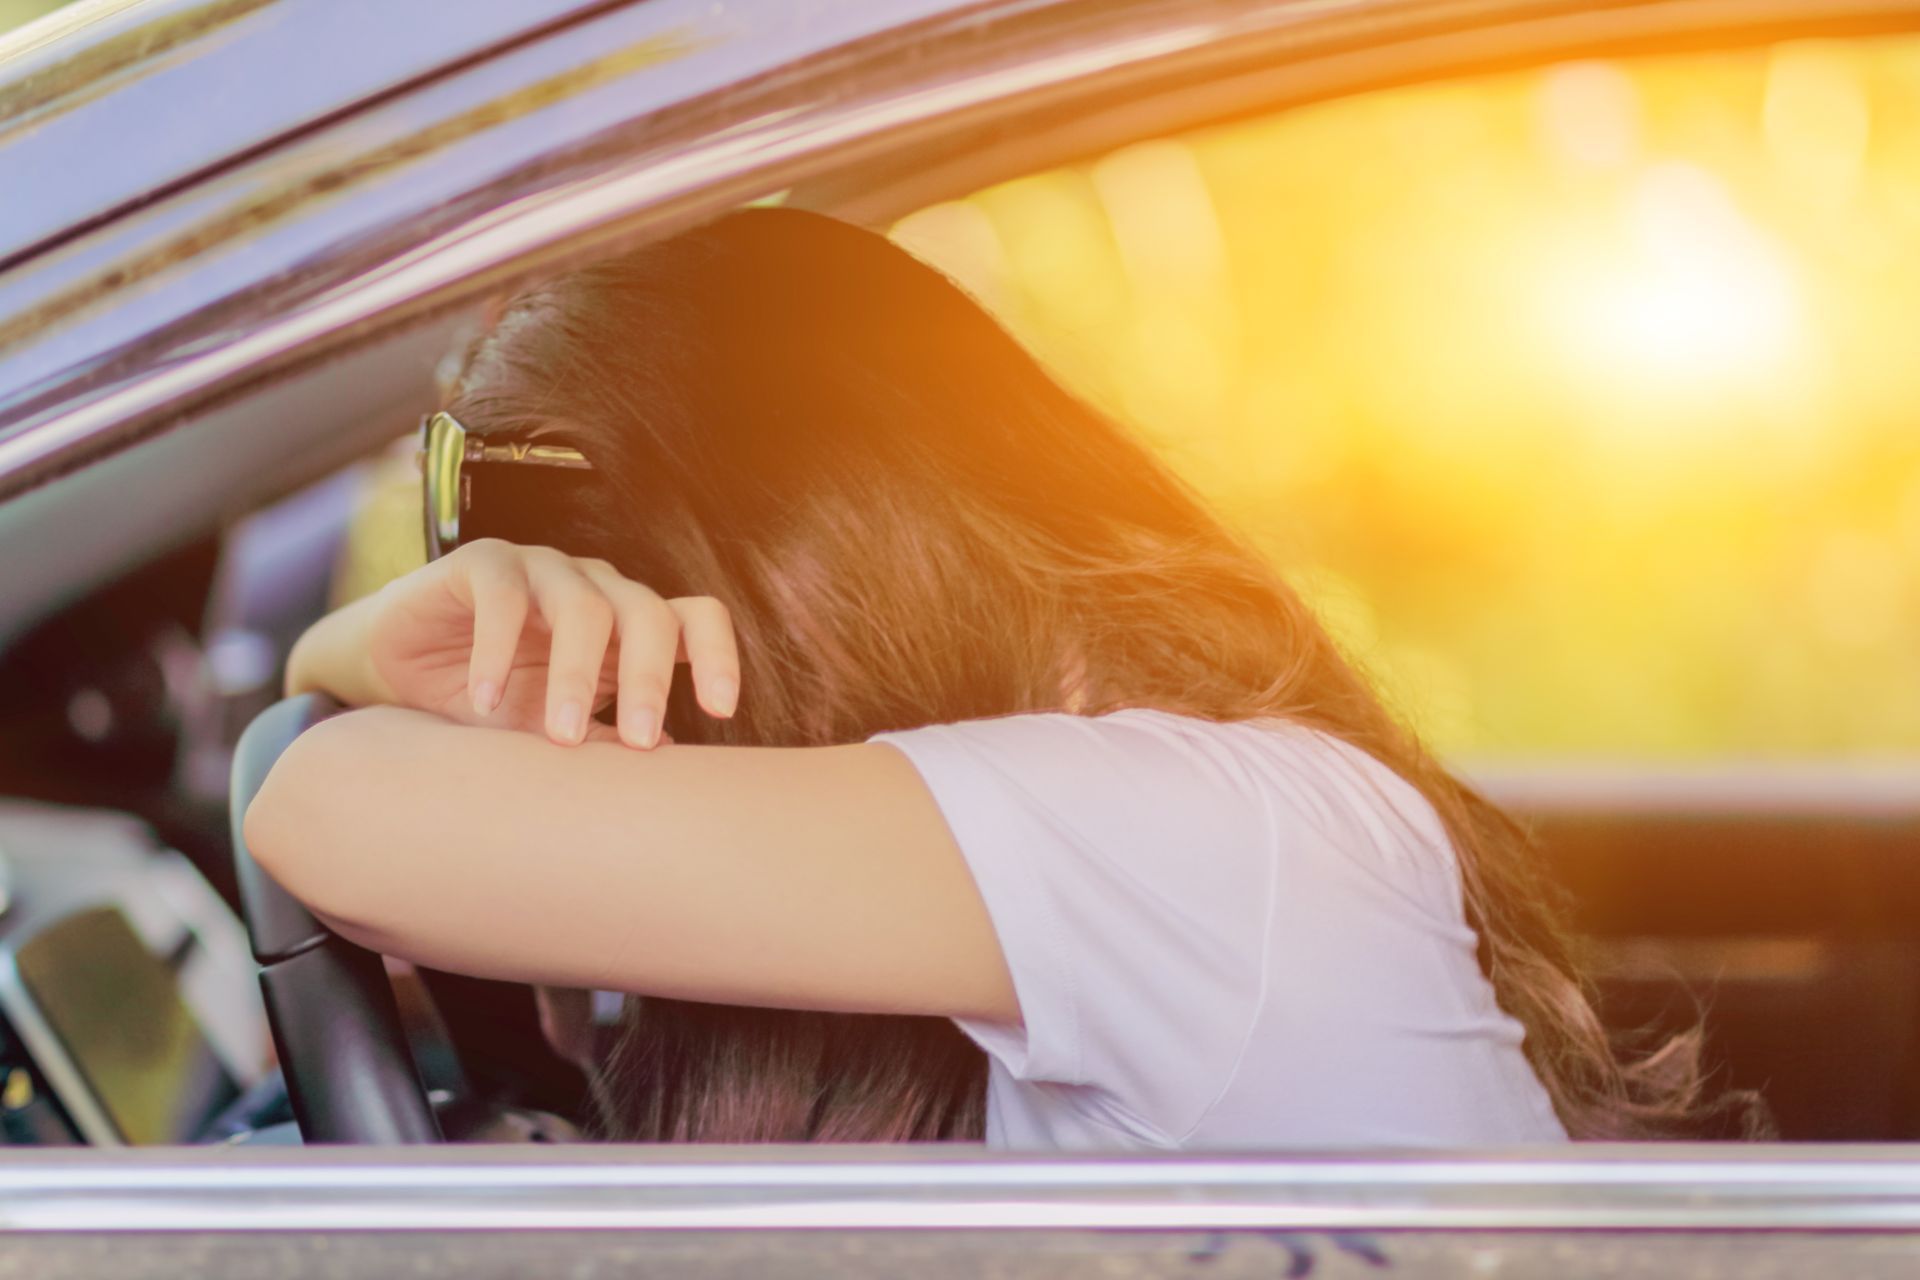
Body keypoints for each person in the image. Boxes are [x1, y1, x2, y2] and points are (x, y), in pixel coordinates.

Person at [247, 207, 1731, 1148]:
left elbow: (329, 823)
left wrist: (353, 656)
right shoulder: (1154, 810)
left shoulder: (1172, 833)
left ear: (774, 559)